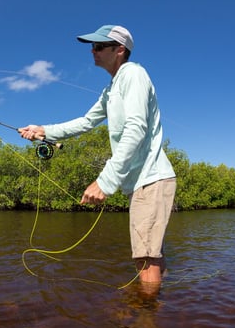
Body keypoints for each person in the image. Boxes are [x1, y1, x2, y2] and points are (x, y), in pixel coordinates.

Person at [19, 25, 176, 288]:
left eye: (100, 46)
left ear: (120, 50)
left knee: (145, 260)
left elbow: (136, 128)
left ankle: (144, 324)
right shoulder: (111, 90)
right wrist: (43, 130)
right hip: (142, 182)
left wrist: (105, 180)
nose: (93, 51)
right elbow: (85, 122)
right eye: (92, 46)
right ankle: (162, 308)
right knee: (151, 256)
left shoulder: (133, 74)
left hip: (151, 179)